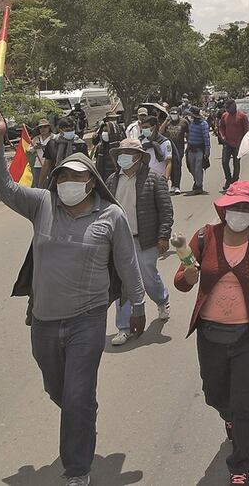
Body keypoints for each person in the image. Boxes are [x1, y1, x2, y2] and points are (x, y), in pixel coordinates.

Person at [0, 114, 146, 486]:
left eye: (77, 177)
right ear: (55, 180)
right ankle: (82, 413)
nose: (70, 184)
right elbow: (0, 185)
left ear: (91, 181)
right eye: (64, 177)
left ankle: (77, 470)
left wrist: (136, 304)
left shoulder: (111, 216)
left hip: (87, 321)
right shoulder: (42, 204)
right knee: (58, 391)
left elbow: (126, 262)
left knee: (75, 397)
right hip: (43, 321)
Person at [174, 181, 249, 486]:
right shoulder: (205, 237)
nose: (239, 213)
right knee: (215, 394)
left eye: (245, 208)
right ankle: (228, 415)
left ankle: (240, 464)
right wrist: (188, 275)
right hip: (210, 334)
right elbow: (181, 282)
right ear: (224, 209)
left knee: (246, 401)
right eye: (234, 207)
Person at [105, 138, 174, 346]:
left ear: (138, 158)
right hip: (120, 241)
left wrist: (163, 236)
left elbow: (166, 210)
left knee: (147, 276)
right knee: (124, 282)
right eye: (121, 153)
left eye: (128, 153)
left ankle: (162, 299)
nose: (123, 157)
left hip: (145, 240)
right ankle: (123, 327)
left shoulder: (154, 179)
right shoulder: (111, 180)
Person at [39, 118, 88, 187]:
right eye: (67, 130)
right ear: (60, 130)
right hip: (56, 180)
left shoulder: (80, 144)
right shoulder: (52, 144)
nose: (70, 132)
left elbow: (85, 165)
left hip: (75, 181)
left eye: (72, 130)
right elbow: (46, 165)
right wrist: (40, 184)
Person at [219, 99, 249, 192]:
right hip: (227, 143)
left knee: (236, 163)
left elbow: (246, 130)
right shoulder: (224, 116)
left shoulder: (242, 116)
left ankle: (235, 181)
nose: (227, 109)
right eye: (226, 108)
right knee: (224, 162)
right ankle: (228, 180)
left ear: (234, 106)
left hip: (238, 144)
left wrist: (244, 142)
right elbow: (221, 127)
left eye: (229, 107)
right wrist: (222, 136)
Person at [162, 108, 189, 195]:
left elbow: (189, 133)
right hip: (169, 147)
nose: (173, 115)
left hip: (179, 147)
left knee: (177, 166)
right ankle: (173, 184)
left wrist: (189, 144)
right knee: (170, 166)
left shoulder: (184, 122)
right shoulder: (167, 122)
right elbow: (160, 132)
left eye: (175, 113)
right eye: (171, 113)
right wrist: (166, 121)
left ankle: (177, 186)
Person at [186, 106, 211, 195]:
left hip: (199, 150)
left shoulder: (203, 124)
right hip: (191, 149)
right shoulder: (192, 123)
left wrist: (207, 151)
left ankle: (199, 186)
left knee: (198, 169)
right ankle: (197, 181)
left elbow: (206, 138)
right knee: (191, 168)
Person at [92, 112, 123, 180]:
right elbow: (95, 142)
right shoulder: (100, 128)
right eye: (111, 118)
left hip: (114, 161)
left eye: (114, 118)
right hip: (103, 158)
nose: (113, 120)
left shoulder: (119, 128)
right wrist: (94, 137)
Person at [32, 119, 53, 188]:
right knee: (38, 186)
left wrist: (45, 147)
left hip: (50, 165)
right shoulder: (36, 138)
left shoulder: (54, 137)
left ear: (49, 127)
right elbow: (29, 149)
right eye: (41, 127)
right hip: (38, 165)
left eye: (45, 127)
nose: (43, 129)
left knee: (50, 185)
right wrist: (35, 147)